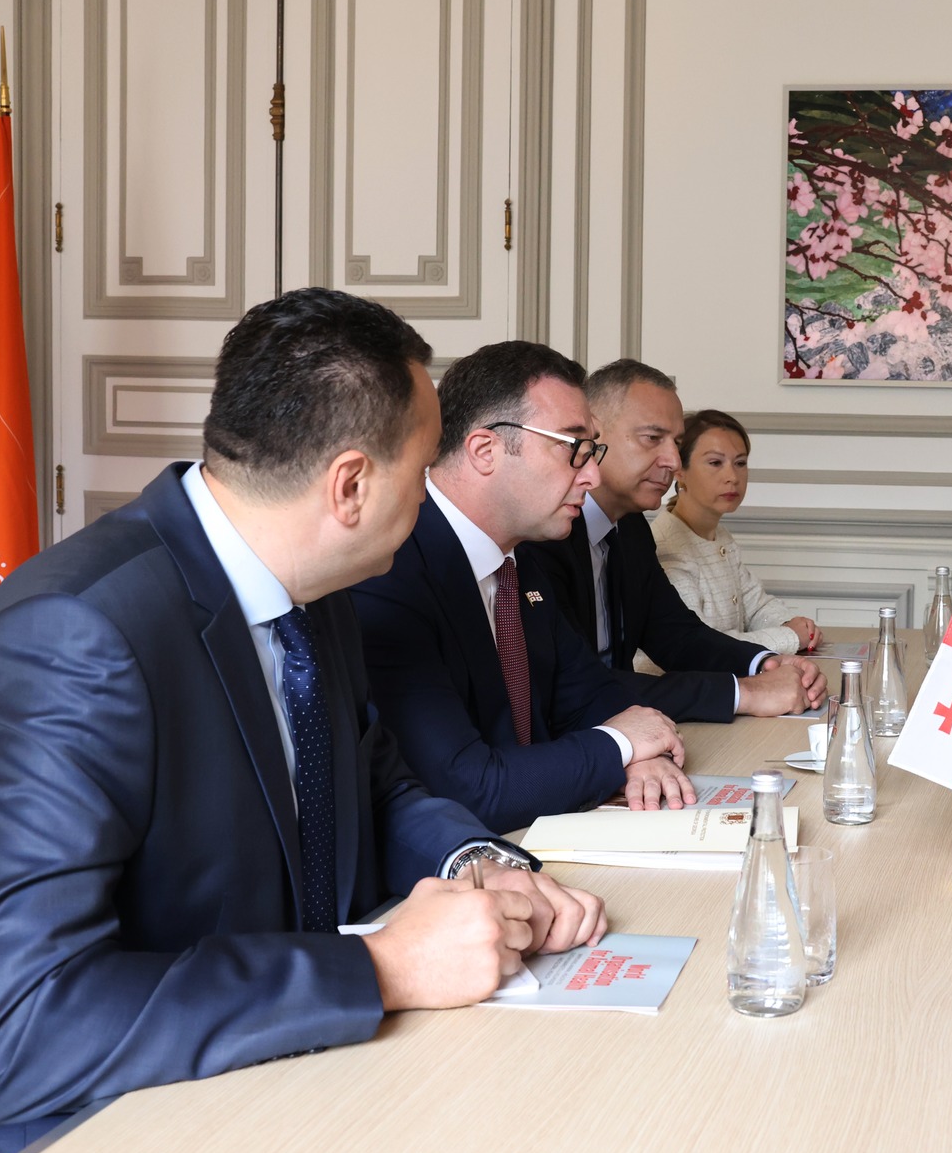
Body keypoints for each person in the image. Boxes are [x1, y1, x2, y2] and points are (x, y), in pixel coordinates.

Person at [0, 290, 605, 1153]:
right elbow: (17, 1034)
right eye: (422, 473)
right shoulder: (75, 633)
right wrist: (379, 968)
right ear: (351, 486)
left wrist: (476, 862)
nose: (430, 494)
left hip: (254, 1073)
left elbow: (378, 784)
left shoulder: (315, 592)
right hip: (40, 1142)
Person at [351, 342, 699, 833]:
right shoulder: (388, 573)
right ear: (485, 451)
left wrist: (642, 756)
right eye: (574, 448)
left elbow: (590, 696)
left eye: (593, 451)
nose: (592, 474)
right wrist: (621, 746)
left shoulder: (522, 559)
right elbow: (468, 788)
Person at [521, 360, 827, 721]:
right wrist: (745, 693)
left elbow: (676, 636)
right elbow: (579, 686)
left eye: (677, 443)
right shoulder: (540, 533)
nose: (672, 461)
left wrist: (764, 663)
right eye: (652, 439)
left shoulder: (631, 526)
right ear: (593, 434)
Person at [651, 409, 821, 655]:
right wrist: (790, 636)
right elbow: (702, 646)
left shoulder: (720, 536)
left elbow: (756, 606)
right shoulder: (667, 549)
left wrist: (792, 624)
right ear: (679, 470)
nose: (732, 476)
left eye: (740, 463)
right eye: (715, 463)